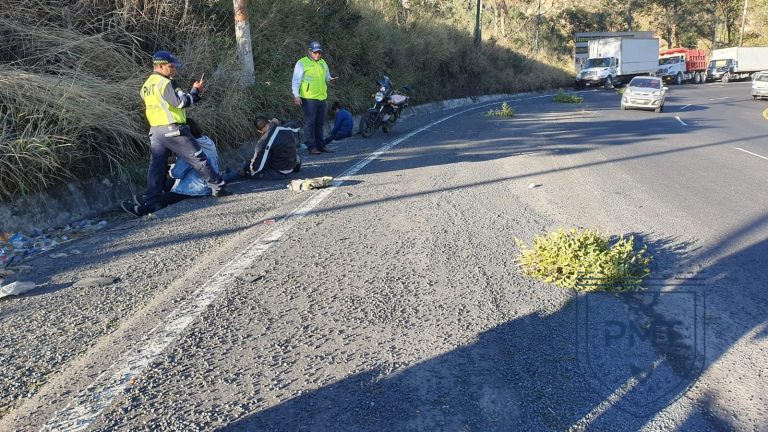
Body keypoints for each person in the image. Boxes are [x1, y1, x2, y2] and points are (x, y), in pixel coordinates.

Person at [122, 50, 227, 217]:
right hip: (173, 128)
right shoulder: (166, 83)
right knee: (197, 157)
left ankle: (152, 200)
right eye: (171, 66)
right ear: (161, 66)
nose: (174, 70)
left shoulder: (147, 85)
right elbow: (181, 103)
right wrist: (195, 91)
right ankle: (219, 187)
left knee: (156, 167)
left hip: (155, 131)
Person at [292, 41, 337, 155]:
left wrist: (330, 79)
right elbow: (296, 80)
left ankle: (321, 146)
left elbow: (327, 77)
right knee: (310, 123)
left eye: (319, 52)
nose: (317, 54)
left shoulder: (323, 62)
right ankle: (312, 147)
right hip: (309, 98)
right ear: (309, 51)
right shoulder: (302, 63)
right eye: (315, 52)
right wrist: (296, 95)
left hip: (322, 98)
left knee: (320, 123)